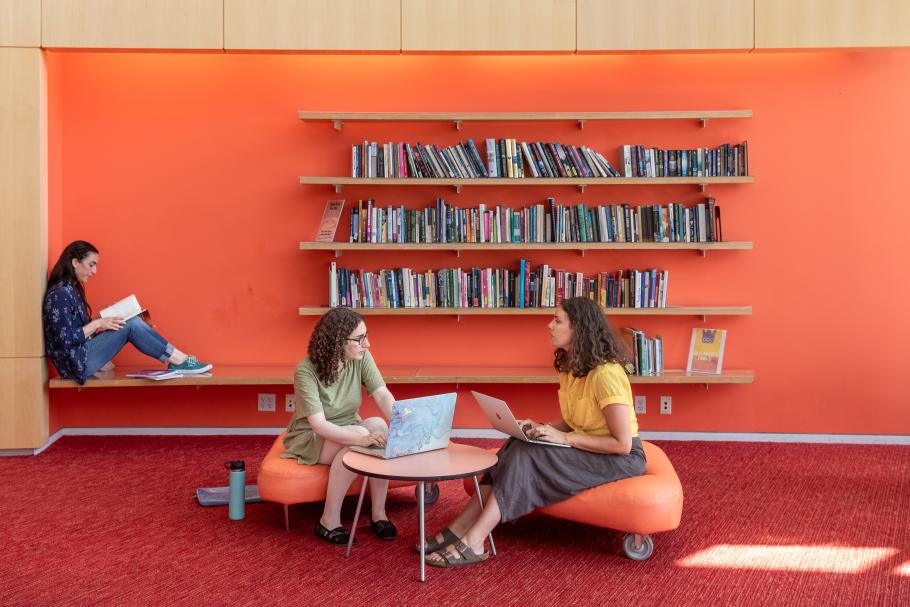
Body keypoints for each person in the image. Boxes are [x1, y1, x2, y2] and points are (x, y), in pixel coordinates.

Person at [422, 296, 647, 568]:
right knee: (515, 444)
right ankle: (460, 527)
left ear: (579, 328)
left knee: (528, 456)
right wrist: (543, 428)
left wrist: (564, 439)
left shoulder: (606, 375)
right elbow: (575, 420)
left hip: (619, 458)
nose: (549, 325)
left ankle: (475, 540)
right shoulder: (572, 368)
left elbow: (621, 444)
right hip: (589, 445)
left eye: (557, 320)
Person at [282, 307, 397, 545]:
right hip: (311, 436)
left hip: (350, 424)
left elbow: (382, 395)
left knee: (380, 426)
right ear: (338, 342)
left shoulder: (360, 357)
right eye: (360, 339)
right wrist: (360, 439)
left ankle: (378, 514)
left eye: (366, 336)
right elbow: (319, 425)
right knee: (359, 437)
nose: (367, 344)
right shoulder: (305, 370)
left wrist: (404, 423)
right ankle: (328, 520)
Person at [42, 240, 212, 385]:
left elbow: (80, 329)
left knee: (130, 320)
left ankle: (178, 358)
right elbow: (64, 340)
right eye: (91, 264)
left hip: (81, 355)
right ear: (75, 262)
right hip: (74, 363)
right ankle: (179, 360)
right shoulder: (60, 294)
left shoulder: (72, 289)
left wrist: (102, 318)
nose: (95, 271)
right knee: (131, 325)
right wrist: (97, 323)